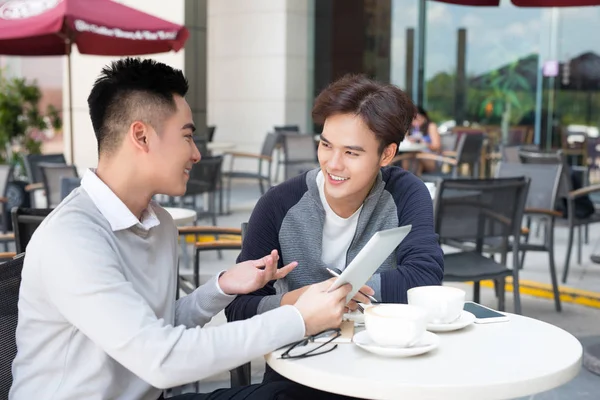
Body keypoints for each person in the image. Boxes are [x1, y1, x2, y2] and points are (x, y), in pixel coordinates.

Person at [9, 58, 355, 400]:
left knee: (290, 395)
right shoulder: (72, 240)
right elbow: (164, 359)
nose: (196, 154)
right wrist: (298, 319)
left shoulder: (159, 223)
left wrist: (219, 288)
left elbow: (159, 329)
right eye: (187, 137)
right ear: (141, 136)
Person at [225, 74, 444, 382]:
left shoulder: (406, 193)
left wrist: (341, 292)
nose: (333, 164)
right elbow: (239, 310)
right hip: (301, 377)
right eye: (326, 145)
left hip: (385, 375)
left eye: (351, 153)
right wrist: (299, 301)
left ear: (386, 154)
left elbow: (425, 277)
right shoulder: (279, 203)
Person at [404, 106, 442, 173]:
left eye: (417, 119)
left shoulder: (431, 126)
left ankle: (409, 178)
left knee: (415, 155)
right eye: (412, 119)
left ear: (424, 117)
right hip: (416, 157)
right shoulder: (413, 128)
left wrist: (423, 143)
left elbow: (436, 146)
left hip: (432, 159)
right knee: (409, 155)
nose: (415, 122)